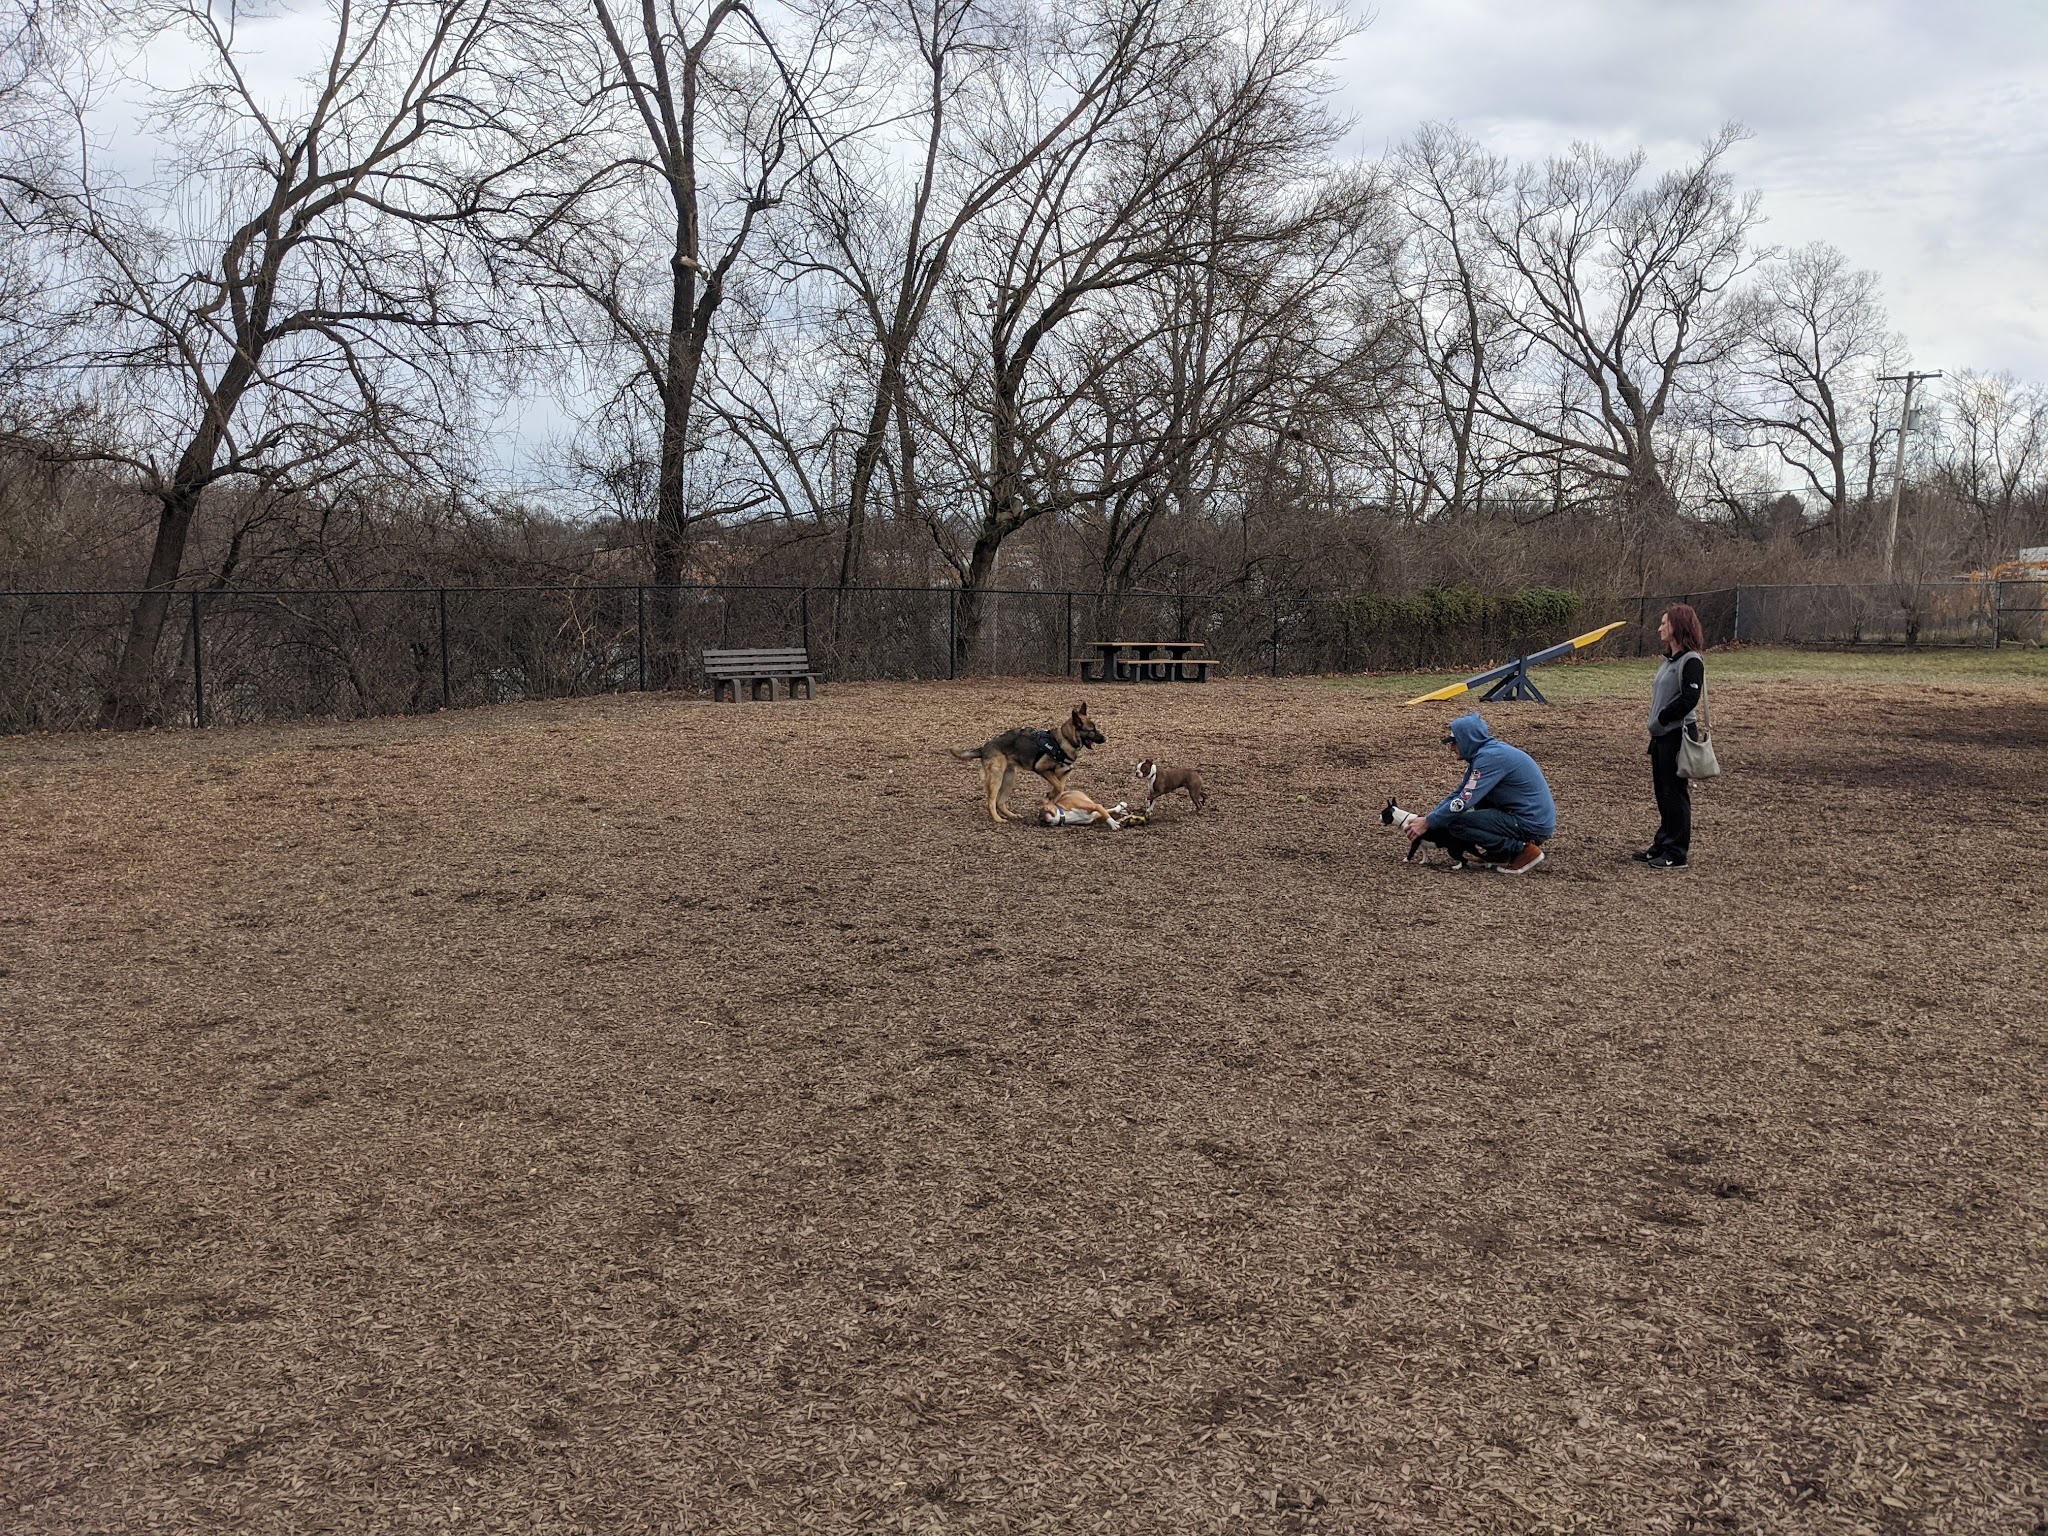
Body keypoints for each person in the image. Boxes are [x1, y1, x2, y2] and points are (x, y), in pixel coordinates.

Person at [1406, 712, 1556, 874]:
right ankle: (1500, 853)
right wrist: (1429, 818)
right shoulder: (1487, 754)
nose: (1451, 748)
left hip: (1530, 824)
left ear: (1467, 739)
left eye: (1454, 742)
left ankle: (1522, 850)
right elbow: (1459, 793)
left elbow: (1463, 801)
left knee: (1455, 823)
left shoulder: (1490, 758)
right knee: (1473, 805)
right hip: (1529, 819)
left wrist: (1429, 822)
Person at [1639, 603, 1706, 870]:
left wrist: (1664, 717)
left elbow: (1690, 698)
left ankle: (1676, 851)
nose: (1660, 628)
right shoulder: (1669, 660)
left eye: (1665, 623)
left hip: (1677, 735)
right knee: (1662, 792)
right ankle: (1662, 843)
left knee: (1675, 793)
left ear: (1678, 627)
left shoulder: (1691, 661)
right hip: (1661, 736)